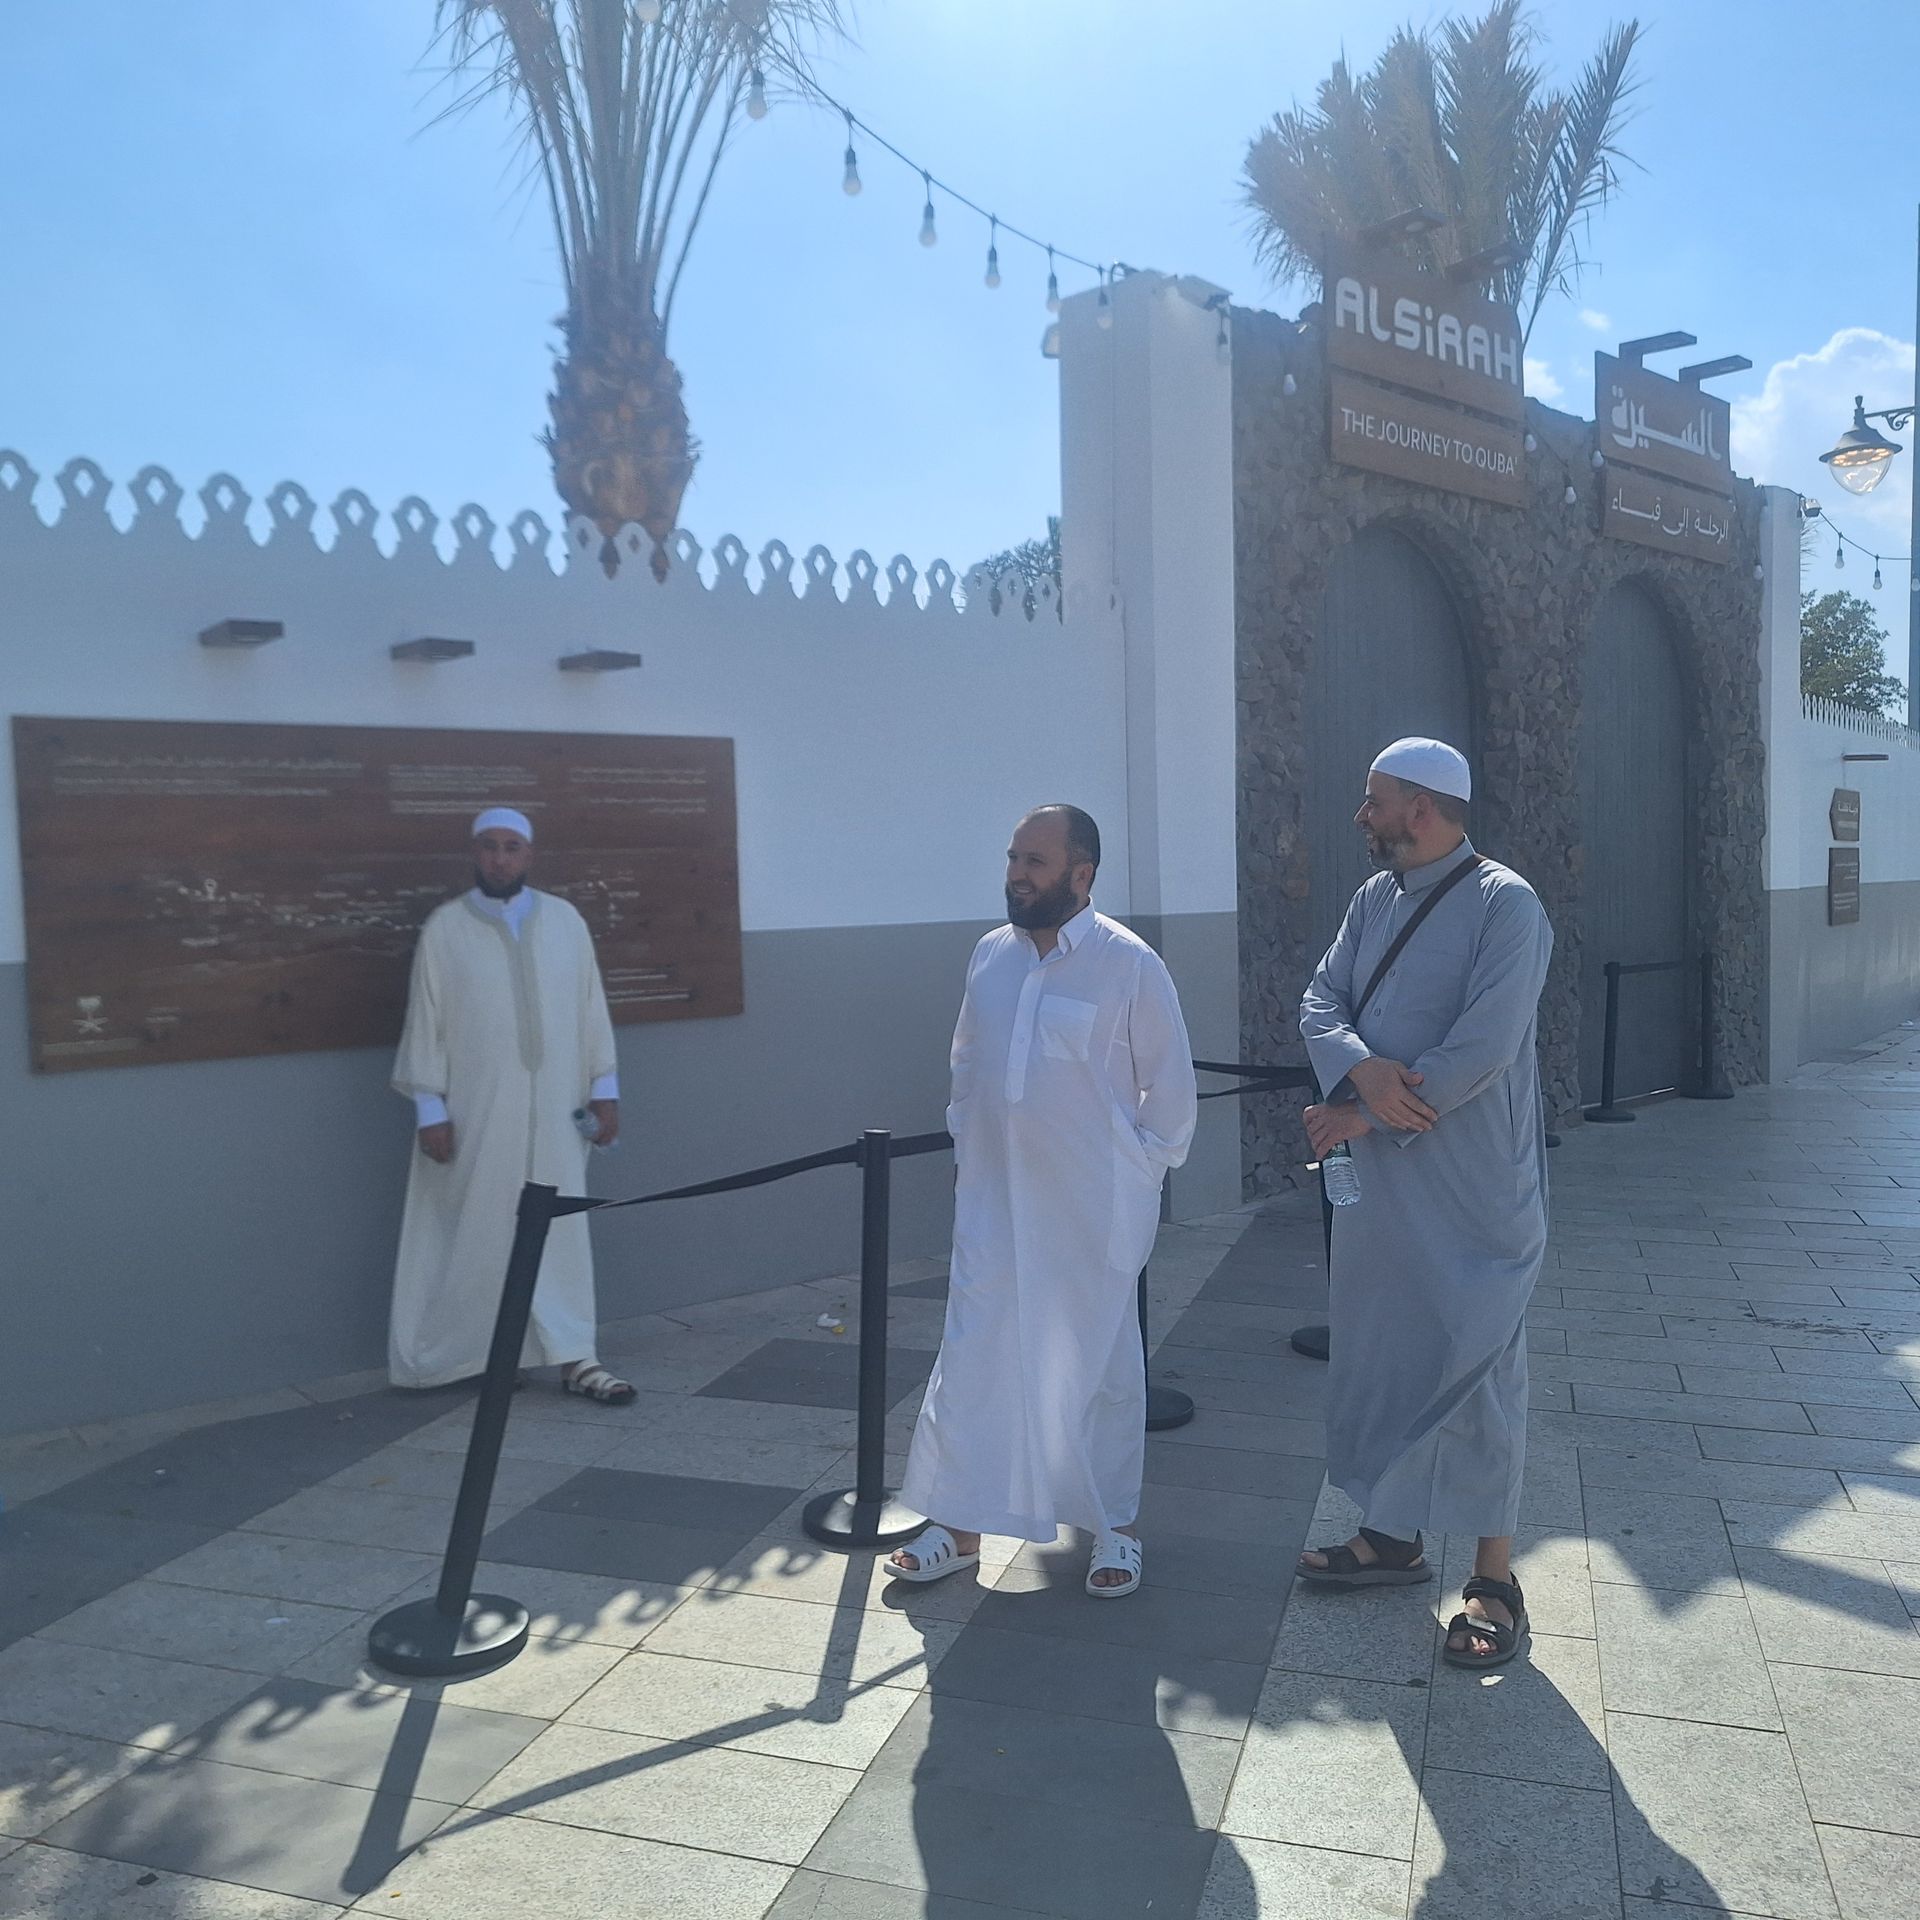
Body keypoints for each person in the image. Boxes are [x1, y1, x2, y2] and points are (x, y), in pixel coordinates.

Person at [887, 805, 1198, 1598]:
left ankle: (1114, 1530)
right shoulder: (989, 957)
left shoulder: (1129, 964)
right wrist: (972, 1156)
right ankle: (956, 1527)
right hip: (994, 1203)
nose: (1017, 874)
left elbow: (1170, 1098)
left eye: (1036, 861)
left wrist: (1134, 1182)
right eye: (1014, 858)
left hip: (1090, 1212)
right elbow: (968, 1066)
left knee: (1096, 1366)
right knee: (975, 1356)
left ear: (1081, 875)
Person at [1295, 739, 1553, 1668]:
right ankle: (1392, 1538)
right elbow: (1322, 998)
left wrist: (1382, 1111)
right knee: (1388, 1347)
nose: (1362, 816)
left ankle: (1492, 1578)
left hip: (1475, 1179)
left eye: (1375, 801)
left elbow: (1488, 1038)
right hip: (1384, 1182)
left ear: (1423, 804)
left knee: (1478, 1360)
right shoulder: (1374, 900)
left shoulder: (1507, 904)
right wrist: (1358, 1069)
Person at [387, 806, 636, 1404]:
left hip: (556, 1112)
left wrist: (604, 1093)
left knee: (563, 1231)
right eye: (490, 846)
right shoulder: (446, 928)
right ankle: (473, 1355)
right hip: (475, 1113)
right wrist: (430, 1110)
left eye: (512, 847)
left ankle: (577, 1357)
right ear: (475, 853)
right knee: (477, 1229)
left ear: (529, 855)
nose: (501, 857)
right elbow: (428, 1021)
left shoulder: (565, 921)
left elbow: (589, 1011)